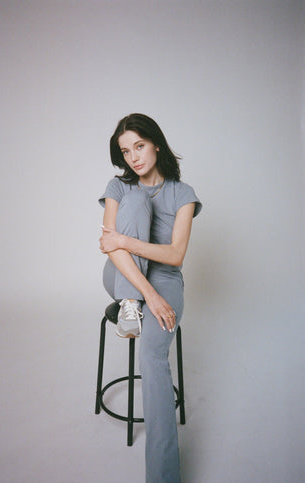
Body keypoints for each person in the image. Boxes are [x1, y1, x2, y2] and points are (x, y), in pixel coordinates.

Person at [98, 113, 202, 483]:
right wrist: (146, 295)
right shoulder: (118, 187)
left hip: (167, 278)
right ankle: (130, 305)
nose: (134, 157)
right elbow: (110, 251)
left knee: (152, 358)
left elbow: (175, 256)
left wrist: (125, 241)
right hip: (124, 276)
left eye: (139, 146)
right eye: (126, 151)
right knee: (137, 201)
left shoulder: (182, 194)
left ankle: (162, 477)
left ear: (155, 143)